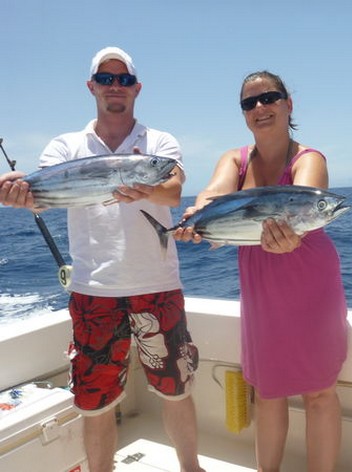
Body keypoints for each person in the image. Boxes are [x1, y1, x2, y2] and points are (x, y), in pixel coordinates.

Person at [3, 47, 205, 472]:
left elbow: (172, 189)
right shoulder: (66, 146)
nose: (117, 87)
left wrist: (144, 185)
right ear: (92, 86)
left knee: (176, 390)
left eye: (125, 80)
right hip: (94, 290)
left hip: (157, 285)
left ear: (137, 88)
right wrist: (17, 196)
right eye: (107, 79)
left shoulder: (158, 143)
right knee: (95, 403)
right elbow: (44, 196)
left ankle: (191, 468)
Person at [176, 71, 348, 472]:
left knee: (320, 392)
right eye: (249, 103)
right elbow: (214, 192)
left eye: (269, 98)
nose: (260, 108)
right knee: (268, 391)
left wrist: (289, 235)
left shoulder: (309, 159)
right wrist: (196, 213)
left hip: (310, 282)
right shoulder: (233, 160)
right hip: (261, 286)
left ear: (289, 104)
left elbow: (307, 198)